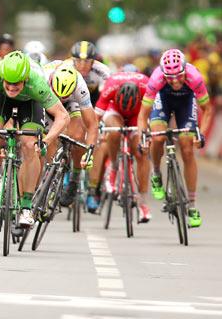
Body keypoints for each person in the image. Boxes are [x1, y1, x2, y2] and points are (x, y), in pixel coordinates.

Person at [0, 51, 69, 226]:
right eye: (8, 83)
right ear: (2, 77)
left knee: (29, 145)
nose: (11, 88)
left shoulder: (37, 82)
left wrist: (47, 141)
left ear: (25, 79)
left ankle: (26, 207)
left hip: (30, 101)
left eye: (16, 84)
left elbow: (63, 116)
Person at [137, 49, 212, 228]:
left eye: (179, 76)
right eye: (169, 78)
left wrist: (200, 134)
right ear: (163, 74)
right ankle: (156, 172)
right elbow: (142, 115)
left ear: (185, 69)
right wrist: (143, 137)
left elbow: (207, 110)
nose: (175, 81)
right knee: (158, 138)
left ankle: (192, 205)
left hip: (186, 102)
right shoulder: (156, 79)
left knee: (187, 149)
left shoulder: (195, 77)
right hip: (162, 100)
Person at [92, 71, 152, 222]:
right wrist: (95, 135)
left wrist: (146, 137)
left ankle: (143, 203)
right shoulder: (111, 86)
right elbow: (95, 118)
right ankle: (113, 167)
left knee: (141, 153)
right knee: (114, 131)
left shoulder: (147, 87)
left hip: (138, 113)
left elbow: (152, 116)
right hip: (114, 111)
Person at [41, 61, 98, 208]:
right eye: (58, 95)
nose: (60, 99)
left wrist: (89, 152)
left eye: (63, 96)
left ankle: (75, 177)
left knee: (78, 137)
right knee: (50, 136)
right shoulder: (42, 78)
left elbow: (92, 125)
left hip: (72, 104)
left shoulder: (80, 86)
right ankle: (51, 173)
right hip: (46, 101)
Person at [65, 41, 110, 105]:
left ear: (93, 62)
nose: (82, 65)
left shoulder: (103, 70)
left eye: (87, 61)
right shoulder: (65, 67)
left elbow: (105, 95)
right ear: (73, 60)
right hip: (71, 98)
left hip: (93, 97)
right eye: (78, 60)